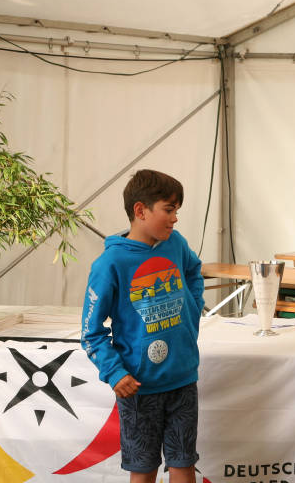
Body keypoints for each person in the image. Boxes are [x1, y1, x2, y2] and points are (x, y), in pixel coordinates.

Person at [82, 169, 204, 483]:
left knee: (184, 465)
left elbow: (194, 271)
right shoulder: (110, 264)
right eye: (169, 209)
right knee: (143, 470)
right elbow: (91, 332)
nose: (175, 218)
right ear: (141, 210)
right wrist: (115, 372)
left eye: (177, 210)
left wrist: (191, 310)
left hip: (183, 381)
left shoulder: (175, 243)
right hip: (139, 389)